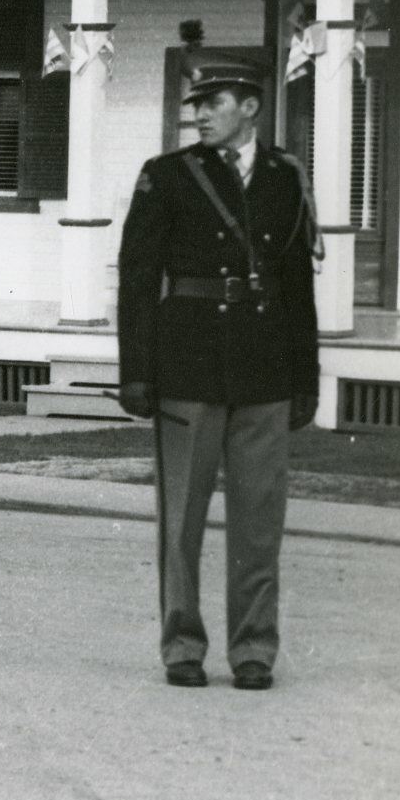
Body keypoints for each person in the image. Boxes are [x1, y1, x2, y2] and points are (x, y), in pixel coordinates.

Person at [115, 61, 322, 692]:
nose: (199, 113)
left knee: (258, 521)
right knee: (181, 520)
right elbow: (138, 279)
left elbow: (296, 285)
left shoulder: (286, 177)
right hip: (188, 368)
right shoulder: (167, 176)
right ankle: (182, 645)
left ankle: (254, 650)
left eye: (214, 102)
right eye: (195, 104)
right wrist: (137, 372)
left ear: (250, 108)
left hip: (264, 371)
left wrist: (305, 376)